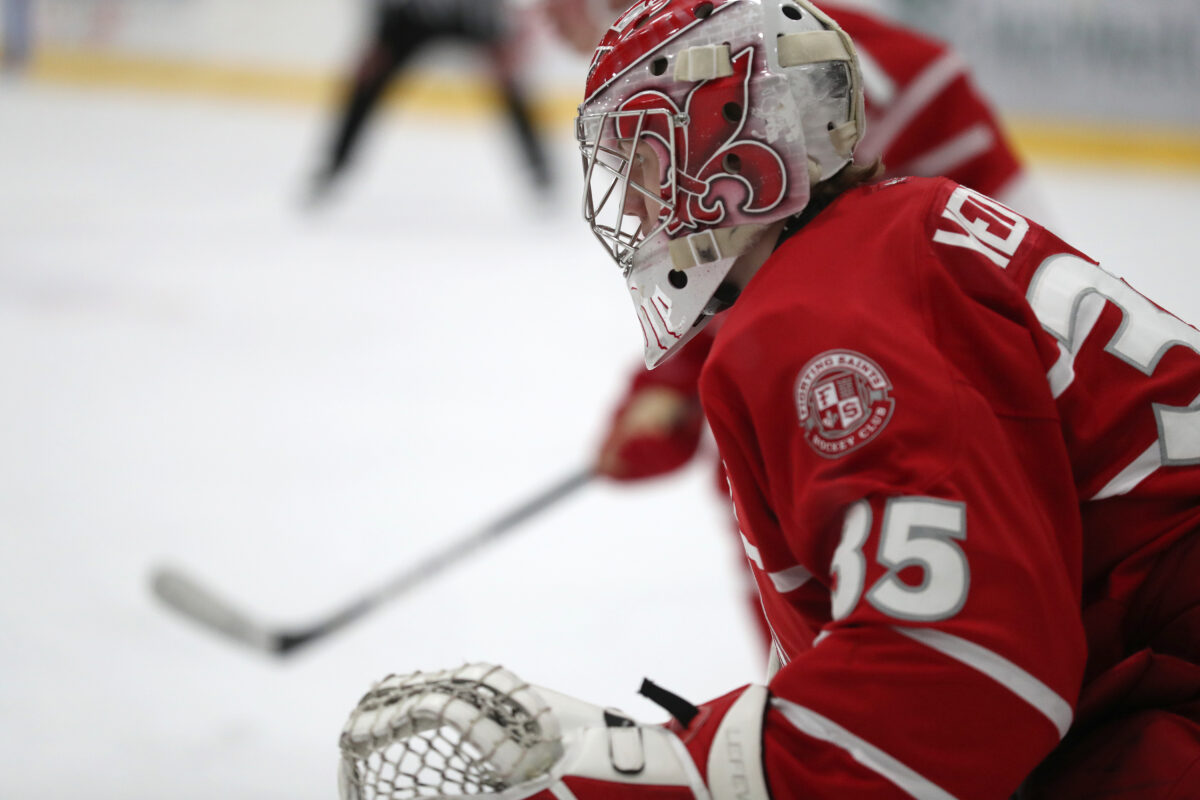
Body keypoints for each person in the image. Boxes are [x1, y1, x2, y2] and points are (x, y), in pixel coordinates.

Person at [343, 1, 1200, 797]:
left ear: (729, 158)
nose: (632, 205)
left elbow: (965, 676)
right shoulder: (893, 233)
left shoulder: (820, 320)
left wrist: (662, 773)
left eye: (641, 159)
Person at [553, 0, 1048, 652]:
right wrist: (672, 387)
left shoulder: (887, 79)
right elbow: (749, 235)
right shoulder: (737, 55)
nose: (638, 212)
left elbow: (1005, 295)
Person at [309, 0, 552, 202]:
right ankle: (334, 165)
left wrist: (507, 31)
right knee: (369, 79)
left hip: (472, 12)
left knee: (509, 79)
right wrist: (380, 35)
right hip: (411, 14)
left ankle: (541, 172)